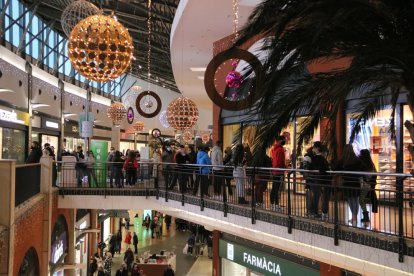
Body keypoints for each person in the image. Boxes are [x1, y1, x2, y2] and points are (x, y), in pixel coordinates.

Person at [335, 144, 366, 224]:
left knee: (350, 200)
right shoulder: (357, 159)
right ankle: (354, 217)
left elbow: (336, 169)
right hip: (356, 182)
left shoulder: (343, 160)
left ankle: (354, 217)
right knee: (355, 199)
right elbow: (363, 169)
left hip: (347, 183)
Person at [307, 142, 331, 218]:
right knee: (324, 197)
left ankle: (313, 212)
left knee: (316, 197)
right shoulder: (323, 159)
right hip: (324, 181)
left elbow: (309, 168)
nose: (313, 149)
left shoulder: (315, 159)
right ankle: (324, 213)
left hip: (316, 180)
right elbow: (325, 169)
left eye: (314, 147)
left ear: (317, 148)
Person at [359, 149, 378, 223]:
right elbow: (374, 174)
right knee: (361, 199)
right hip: (369, 185)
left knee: (361, 200)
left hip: (365, 185)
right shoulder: (371, 164)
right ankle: (366, 215)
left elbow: (364, 175)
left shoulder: (363, 164)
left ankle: (366, 216)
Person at [270, 136, 286, 211]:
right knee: (276, 189)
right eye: (284, 140)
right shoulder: (280, 149)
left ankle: (274, 204)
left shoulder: (275, 149)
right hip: (279, 171)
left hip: (275, 171)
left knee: (275, 188)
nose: (285, 141)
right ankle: (274, 205)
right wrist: (285, 167)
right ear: (279, 140)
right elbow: (280, 161)